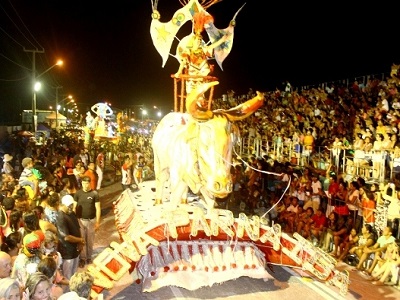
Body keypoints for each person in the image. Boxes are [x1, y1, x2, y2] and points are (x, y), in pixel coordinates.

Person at [74, 176, 100, 268]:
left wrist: (97, 221)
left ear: (89, 183)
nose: (85, 185)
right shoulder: (78, 194)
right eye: (84, 183)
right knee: (82, 240)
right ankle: (82, 258)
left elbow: (98, 208)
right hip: (80, 221)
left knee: (90, 240)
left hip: (91, 221)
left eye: (87, 183)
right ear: (81, 184)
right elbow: (74, 207)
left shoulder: (94, 194)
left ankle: (89, 257)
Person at [57, 194, 83, 279]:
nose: (71, 207)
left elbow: (78, 227)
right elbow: (66, 237)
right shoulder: (61, 217)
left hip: (75, 250)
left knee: (74, 272)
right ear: (63, 205)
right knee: (68, 276)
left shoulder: (71, 213)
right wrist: (80, 240)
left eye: (72, 205)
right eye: (69, 205)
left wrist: (80, 242)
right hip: (67, 251)